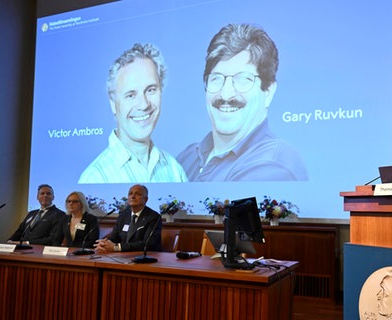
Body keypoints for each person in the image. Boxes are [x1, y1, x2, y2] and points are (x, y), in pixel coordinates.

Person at [177, 23, 308, 181]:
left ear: (268, 92)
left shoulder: (273, 164)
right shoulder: (188, 157)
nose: (226, 94)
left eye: (243, 79)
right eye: (216, 78)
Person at [79, 43, 187, 183]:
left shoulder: (174, 169)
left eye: (151, 90)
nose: (143, 104)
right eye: (130, 95)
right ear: (113, 104)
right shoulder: (94, 178)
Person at [94, 184, 162, 252]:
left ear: (146, 199)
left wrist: (118, 247)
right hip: (122, 257)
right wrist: (104, 244)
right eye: (130, 194)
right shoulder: (123, 217)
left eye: (137, 194)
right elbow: (114, 238)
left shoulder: (153, 217)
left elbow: (148, 243)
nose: (132, 196)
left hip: (143, 257)